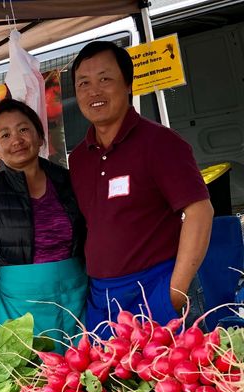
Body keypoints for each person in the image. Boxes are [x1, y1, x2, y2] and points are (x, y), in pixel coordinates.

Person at [68, 40, 214, 338]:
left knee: (176, 382)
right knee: (108, 385)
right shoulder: (80, 158)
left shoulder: (161, 143)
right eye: (84, 83)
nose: (93, 91)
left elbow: (200, 211)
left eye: (105, 79)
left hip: (157, 289)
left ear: (128, 85)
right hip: (103, 301)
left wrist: (174, 291)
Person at [0, 98, 87, 352]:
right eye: (5, 135)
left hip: (77, 302)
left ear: (40, 136)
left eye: (23, 129)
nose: (16, 140)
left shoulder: (71, 182)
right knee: (28, 384)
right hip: (14, 313)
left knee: (83, 379)